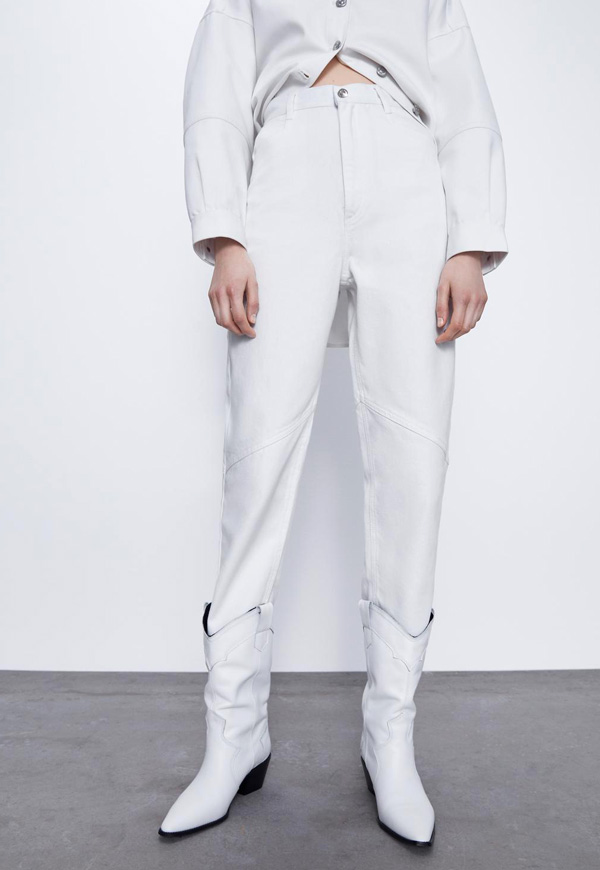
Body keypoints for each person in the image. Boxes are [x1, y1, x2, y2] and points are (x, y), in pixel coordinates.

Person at [159, 0, 508, 847]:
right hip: (286, 166)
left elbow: (464, 98)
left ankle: (390, 737)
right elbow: (216, 93)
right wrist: (224, 234)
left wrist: (470, 243)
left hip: (406, 173)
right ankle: (233, 732)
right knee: (258, 454)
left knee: (413, 455)